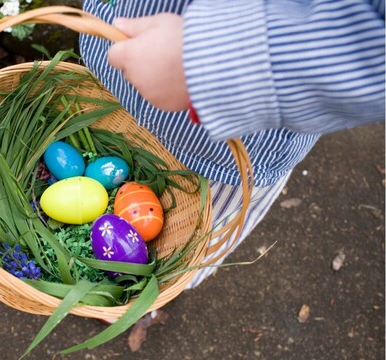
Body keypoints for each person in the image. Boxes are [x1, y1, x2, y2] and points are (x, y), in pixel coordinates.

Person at [79, 0, 385, 288]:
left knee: (192, 245)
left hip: (221, 142)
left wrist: (209, 59)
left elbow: (372, 42)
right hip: (113, 55)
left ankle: (158, 289)